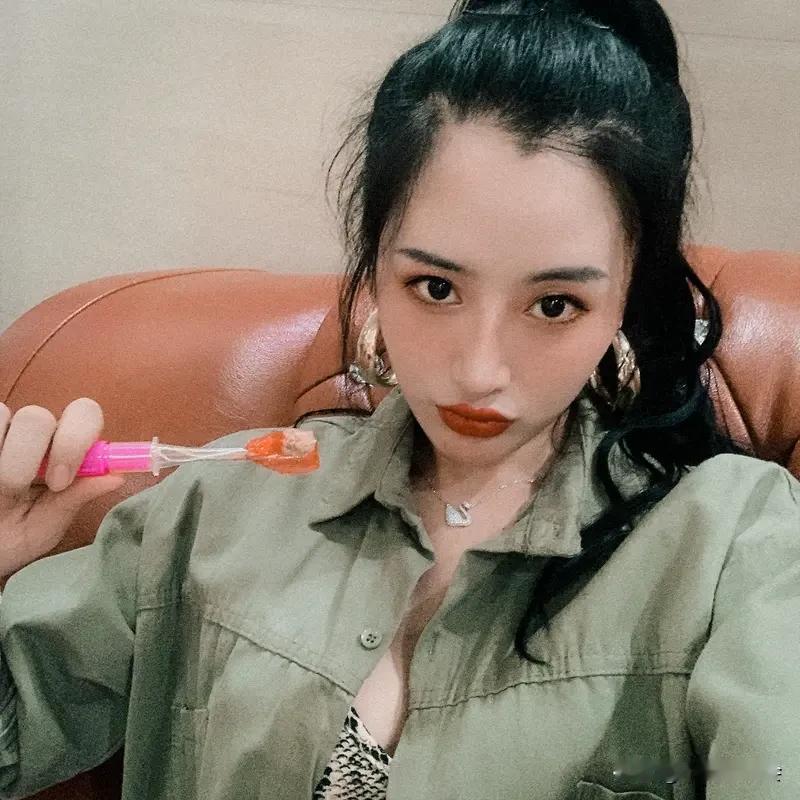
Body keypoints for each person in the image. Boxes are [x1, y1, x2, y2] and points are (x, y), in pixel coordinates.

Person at [0, 0, 798, 797]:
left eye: (555, 304)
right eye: (436, 287)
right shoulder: (217, 508)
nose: (480, 372)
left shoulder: (735, 547)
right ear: (375, 265)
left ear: (624, 297)